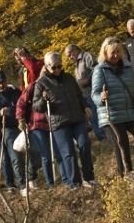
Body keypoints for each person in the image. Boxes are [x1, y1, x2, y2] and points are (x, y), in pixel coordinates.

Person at [33, 52, 97, 190]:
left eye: (59, 66)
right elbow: (36, 106)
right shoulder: (41, 83)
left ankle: (89, 178)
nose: (57, 70)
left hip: (77, 118)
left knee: (84, 145)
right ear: (46, 66)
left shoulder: (69, 78)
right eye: (54, 67)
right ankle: (75, 184)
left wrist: (85, 106)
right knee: (68, 153)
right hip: (59, 123)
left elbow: (79, 95)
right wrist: (43, 99)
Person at [92, 37, 134, 175]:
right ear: (105, 53)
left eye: (118, 52)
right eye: (112, 52)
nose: (115, 55)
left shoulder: (128, 67)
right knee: (122, 145)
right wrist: (101, 97)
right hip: (111, 115)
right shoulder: (99, 70)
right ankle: (125, 177)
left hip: (131, 112)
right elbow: (94, 94)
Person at [16, 79, 56, 193]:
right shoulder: (33, 86)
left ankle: (61, 179)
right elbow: (21, 103)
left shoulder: (56, 82)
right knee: (45, 154)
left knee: (55, 153)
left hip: (54, 122)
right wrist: (21, 119)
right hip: (36, 124)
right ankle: (49, 183)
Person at [64, 43, 107, 142]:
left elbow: (97, 69)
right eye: (68, 56)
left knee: (97, 115)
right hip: (85, 94)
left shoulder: (86, 56)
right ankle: (101, 137)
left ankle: (105, 136)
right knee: (92, 116)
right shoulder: (76, 64)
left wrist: (87, 80)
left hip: (93, 91)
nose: (70, 57)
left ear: (75, 50)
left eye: (70, 54)